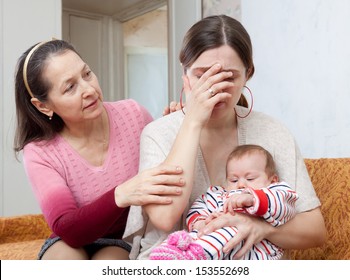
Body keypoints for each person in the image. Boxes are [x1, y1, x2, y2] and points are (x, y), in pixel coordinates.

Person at [123, 15, 326, 260]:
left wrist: (262, 228)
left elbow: (315, 230)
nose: (215, 88)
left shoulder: (273, 132)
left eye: (228, 77)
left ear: (248, 74)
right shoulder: (158, 133)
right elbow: (165, 218)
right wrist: (193, 121)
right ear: (184, 75)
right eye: (202, 75)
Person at [13, 39, 186, 260]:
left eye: (87, 74)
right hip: (70, 239)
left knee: (109, 261)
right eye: (70, 87)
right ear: (43, 106)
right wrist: (122, 193)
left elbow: (165, 176)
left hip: (122, 239)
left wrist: (172, 130)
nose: (88, 89)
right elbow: (67, 228)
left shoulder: (133, 114)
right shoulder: (40, 151)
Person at [149, 144, 298, 260]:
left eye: (250, 178)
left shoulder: (274, 192)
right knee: (200, 233)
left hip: (251, 253)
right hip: (214, 249)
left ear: (272, 180)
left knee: (230, 227)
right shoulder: (218, 194)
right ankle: (170, 253)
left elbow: (285, 207)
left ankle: (193, 255)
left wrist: (253, 198)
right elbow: (199, 207)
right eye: (233, 179)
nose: (241, 184)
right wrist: (200, 222)